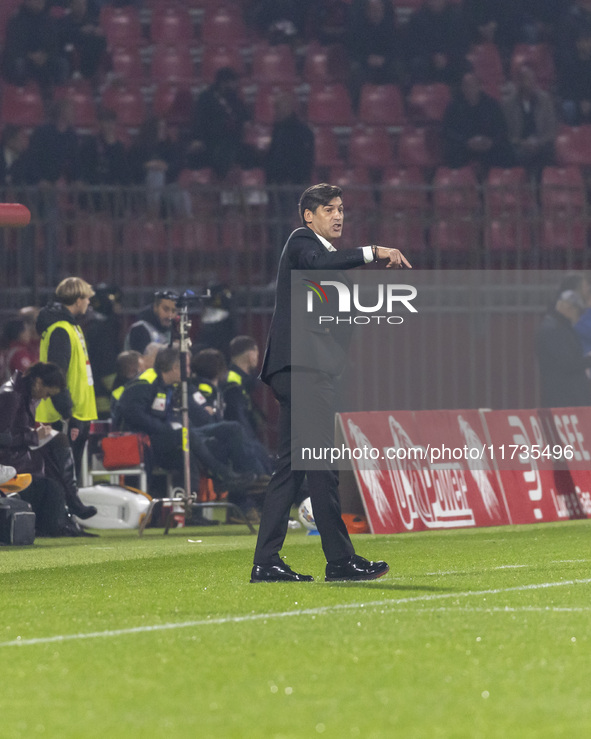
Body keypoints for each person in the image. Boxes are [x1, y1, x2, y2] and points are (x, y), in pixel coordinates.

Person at [251, 182, 411, 583]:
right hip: (302, 371)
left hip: (305, 370)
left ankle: (266, 562)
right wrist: (373, 252)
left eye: (341, 208)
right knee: (321, 468)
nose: (338, 215)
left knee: (292, 469)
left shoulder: (324, 256)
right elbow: (316, 265)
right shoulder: (302, 242)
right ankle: (340, 561)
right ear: (309, 216)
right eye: (329, 209)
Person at [116, 346, 255, 502]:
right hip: (145, 442)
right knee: (187, 437)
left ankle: (246, 474)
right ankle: (222, 475)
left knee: (231, 428)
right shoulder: (145, 383)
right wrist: (165, 428)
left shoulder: (171, 386)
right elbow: (132, 413)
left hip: (174, 435)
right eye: (187, 366)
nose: (189, 371)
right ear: (176, 368)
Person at [0, 361, 95, 535]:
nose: (45, 398)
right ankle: (72, 502)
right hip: (10, 462)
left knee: (57, 444)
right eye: (47, 393)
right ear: (38, 382)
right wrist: (35, 436)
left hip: (17, 456)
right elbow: (3, 437)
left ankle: (72, 502)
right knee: (56, 452)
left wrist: (35, 434)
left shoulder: (22, 394)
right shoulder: (12, 396)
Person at [35, 277, 98, 493]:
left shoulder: (69, 327)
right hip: (62, 415)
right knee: (61, 475)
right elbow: (56, 372)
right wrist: (66, 410)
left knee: (67, 475)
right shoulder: (61, 329)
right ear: (78, 299)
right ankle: (59, 523)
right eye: (87, 298)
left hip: (75, 411)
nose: (89, 303)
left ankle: (66, 522)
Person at [187, 67, 260, 180]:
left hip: (234, 141)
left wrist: (246, 124)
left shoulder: (235, 99)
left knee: (252, 154)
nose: (235, 85)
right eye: (232, 82)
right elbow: (199, 121)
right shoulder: (206, 98)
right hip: (212, 142)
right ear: (223, 83)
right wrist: (199, 139)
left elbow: (245, 117)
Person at [442, 71, 514, 176]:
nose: (469, 89)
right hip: (464, 146)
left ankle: (500, 183)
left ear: (479, 86)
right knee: (452, 153)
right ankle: (459, 184)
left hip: (488, 146)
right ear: (462, 88)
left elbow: (502, 129)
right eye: (466, 85)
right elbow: (447, 131)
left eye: (472, 85)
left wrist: (491, 142)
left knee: (506, 152)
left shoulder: (492, 105)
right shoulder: (453, 107)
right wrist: (465, 142)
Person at [224, 335, 274, 476]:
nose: (258, 357)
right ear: (250, 353)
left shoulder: (241, 380)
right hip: (242, 440)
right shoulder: (233, 382)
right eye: (257, 352)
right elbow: (237, 416)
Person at [1, 0, 68, 98]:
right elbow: (12, 47)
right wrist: (30, 56)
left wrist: (45, 55)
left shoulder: (48, 20)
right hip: (24, 58)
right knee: (18, 64)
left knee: (62, 64)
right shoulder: (16, 20)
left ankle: (55, 99)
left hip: (44, 58)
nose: (40, 3)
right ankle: (21, 97)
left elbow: (54, 44)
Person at [535, 290, 591, 407]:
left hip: (568, 397)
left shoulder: (560, 327)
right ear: (569, 308)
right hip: (564, 399)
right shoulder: (553, 329)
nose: (578, 316)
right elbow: (567, 363)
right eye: (577, 311)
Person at [502, 65, 557, 179]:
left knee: (548, 151)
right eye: (525, 79)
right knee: (515, 154)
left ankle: (542, 186)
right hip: (519, 144)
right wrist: (522, 143)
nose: (528, 83)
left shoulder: (545, 100)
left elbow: (552, 129)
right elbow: (506, 132)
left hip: (541, 143)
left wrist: (538, 142)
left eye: (531, 79)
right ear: (519, 82)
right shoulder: (508, 104)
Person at [83, 283, 124, 419]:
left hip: (94, 393)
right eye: (116, 303)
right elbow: (107, 368)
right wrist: (123, 395)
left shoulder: (92, 325)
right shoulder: (102, 330)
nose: (119, 307)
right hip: (103, 399)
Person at [124, 290, 178, 354]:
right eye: (165, 309)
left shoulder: (171, 329)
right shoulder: (140, 329)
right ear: (155, 307)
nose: (170, 315)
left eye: (174, 311)